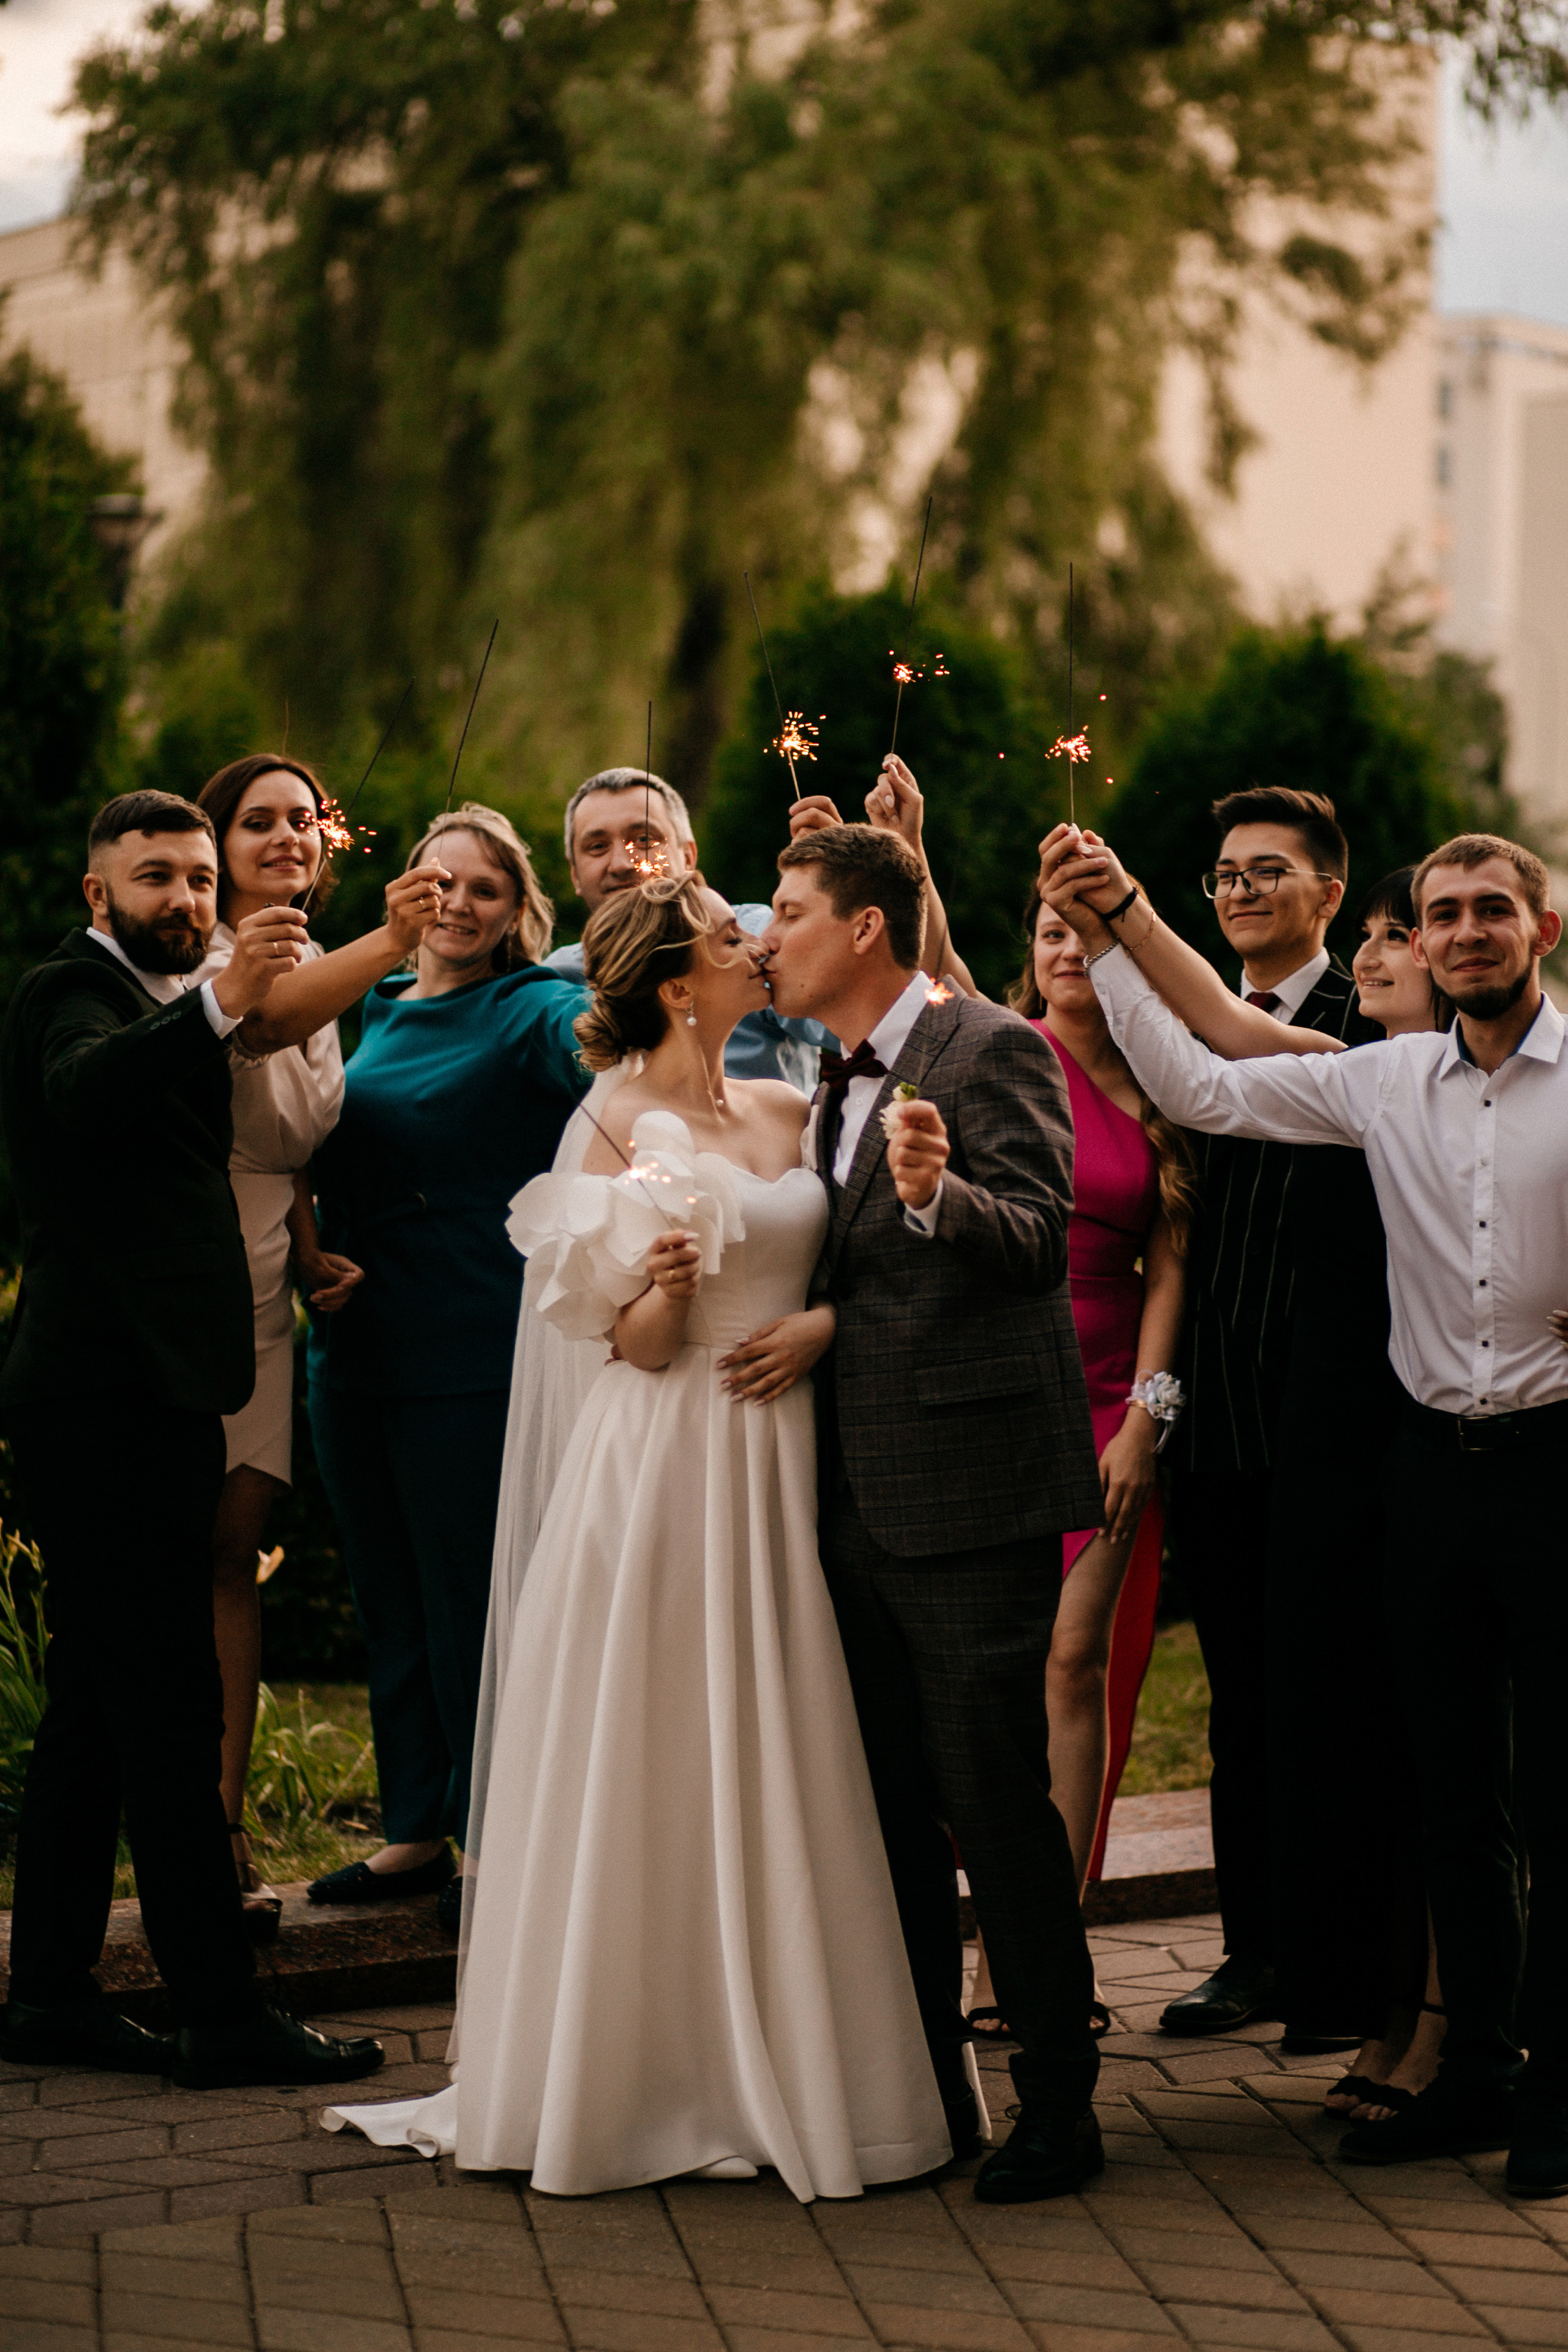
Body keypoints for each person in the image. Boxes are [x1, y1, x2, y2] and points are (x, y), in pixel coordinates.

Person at [325, 872, 950, 2198]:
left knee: (777, 1732)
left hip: (784, 1455)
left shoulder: (787, 1103)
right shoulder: (609, 1121)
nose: (756, 943)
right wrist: (666, 1290)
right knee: (666, 1740)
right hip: (669, 1461)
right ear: (677, 982)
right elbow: (628, 1345)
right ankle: (650, 2069)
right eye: (730, 934)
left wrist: (825, 1324)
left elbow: (858, 1263)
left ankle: (788, 2044)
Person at [1047, 825, 1568, 2200]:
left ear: (1541, 928)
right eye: (1442, 912)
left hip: (1554, 1469)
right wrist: (1113, 924)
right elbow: (1203, 1077)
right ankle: (1478, 2068)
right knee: (1452, 1789)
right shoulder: (1381, 1080)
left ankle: (1557, 2088)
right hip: (1427, 1473)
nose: (1462, 931)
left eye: (1490, 909)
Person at [0, 790, 383, 2092]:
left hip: (153, 1394)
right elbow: (79, 1090)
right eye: (155, 876)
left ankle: (49, 1992)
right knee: (169, 1703)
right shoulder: (74, 993)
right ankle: (220, 2012)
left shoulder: (163, 999)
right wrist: (217, 1005)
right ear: (98, 893)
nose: (185, 898)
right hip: (105, 1402)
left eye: (199, 878)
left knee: (95, 1707)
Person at [757, 822, 1107, 2205]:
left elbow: (1037, 1239)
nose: (766, 934)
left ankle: (1060, 2105)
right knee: (887, 1812)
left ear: (864, 926)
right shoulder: (817, 1072)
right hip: (847, 1500)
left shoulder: (989, 1047)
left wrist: (935, 1193)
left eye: (788, 910)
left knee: (993, 1805)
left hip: (969, 1500)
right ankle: (925, 2090)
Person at [304, 804, 589, 1930]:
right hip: (355, 1341)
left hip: (470, 1341)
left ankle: (499, 1839)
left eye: (485, 888)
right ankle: (414, 1826)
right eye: (439, 881)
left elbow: (593, 1049)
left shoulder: (529, 1006)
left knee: (473, 1598)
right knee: (389, 1594)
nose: (458, 903)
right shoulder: (369, 1002)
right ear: (404, 892)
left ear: (517, 910)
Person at [1125, 787, 1379, 2040]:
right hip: (1213, 1414)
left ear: (1328, 892)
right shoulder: (1175, 1022)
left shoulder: (1366, 1025)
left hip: (1335, 1414)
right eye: (1223, 873)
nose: (1238, 890)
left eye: (1266, 869)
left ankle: (1342, 1961)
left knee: (1330, 1695)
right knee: (1238, 1698)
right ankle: (1254, 1948)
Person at [193, 752, 445, 1936]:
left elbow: (291, 1142)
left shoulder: (324, 964)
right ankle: (191, 1832)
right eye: (259, 820)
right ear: (216, 844)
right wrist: (397, 936)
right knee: (185, 1549)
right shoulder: (210, 962)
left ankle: (223, 1817)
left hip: (263, 1280)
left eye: (305, 818)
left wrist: (305, 1248)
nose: (289, 835)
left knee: (233, 1551)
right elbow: (263, 1030)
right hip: (188, 1271)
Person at [547, 765, 829, 1088]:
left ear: (688, 856)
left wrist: (854, 884)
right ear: (575, 875)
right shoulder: (558, 978)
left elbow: (859, 1024)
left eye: (644, 840)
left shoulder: (762, 939)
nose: (623, 864)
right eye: (597, 846)